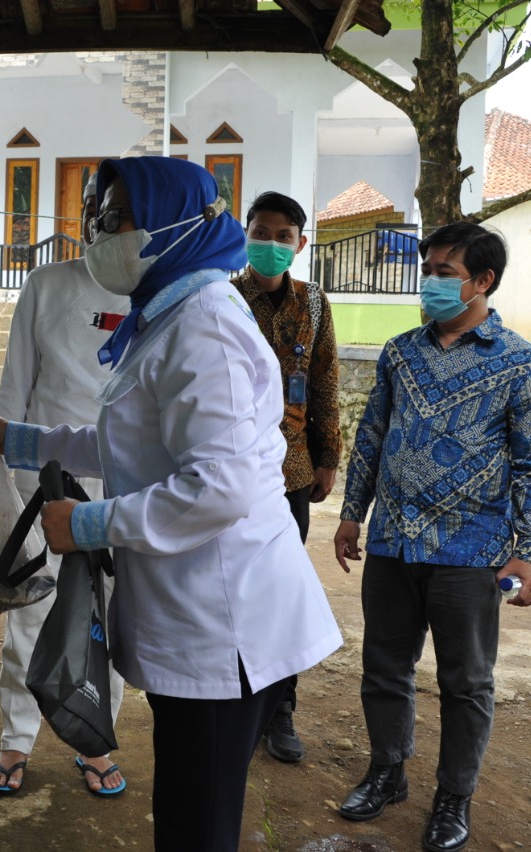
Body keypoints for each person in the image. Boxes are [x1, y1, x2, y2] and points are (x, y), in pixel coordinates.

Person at [0, 156, 342, 852]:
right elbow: (130, 443)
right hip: (193, 607)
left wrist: (84, 523)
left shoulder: (207, 329)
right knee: (187, 812)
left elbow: (217, 487)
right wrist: (17, 438)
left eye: (114, 218)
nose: (99, 234)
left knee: (196, 823)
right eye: (96, 219)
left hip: (224, 624)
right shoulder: (169, 315)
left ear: (171, 223)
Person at [333, 222, 531, 852]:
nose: (429, 282)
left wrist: (529, 552)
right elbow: (373, 434)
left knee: (466, 681)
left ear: (482, 281)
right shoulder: (401, 351)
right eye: (427, 269)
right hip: (393, 542)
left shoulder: (521, 363)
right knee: (384, 667)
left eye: (444, 272)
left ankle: (453, 796)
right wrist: (352, 513)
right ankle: (388, 771)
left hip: (472, 551)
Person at [0, 172, 133, 797]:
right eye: (98, 206)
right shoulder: (46, 286)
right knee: (33, 615)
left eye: (121, 211)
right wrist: (14, 481)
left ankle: (93, 737)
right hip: (45, 483)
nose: (106, 219)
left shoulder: (156, 298)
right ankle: (16, 739)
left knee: (112, 618)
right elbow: (16, 387)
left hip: (126, 483)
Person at [230, 191, 341, 764]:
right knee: (227, 589)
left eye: (282, 235)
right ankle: (231, 703)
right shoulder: (221, 297)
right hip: (227, 470)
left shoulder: (315, 305)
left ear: (300, 244)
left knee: (281, 593)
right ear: (244, 234)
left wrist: (327, 459)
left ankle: (281, 712)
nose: (270, 244)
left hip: (291, 473)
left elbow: (323, 384)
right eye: (260, 232)